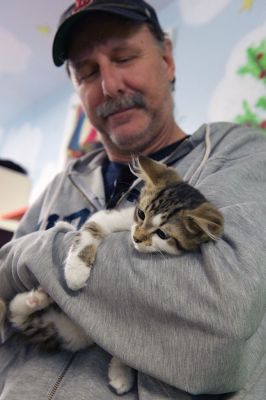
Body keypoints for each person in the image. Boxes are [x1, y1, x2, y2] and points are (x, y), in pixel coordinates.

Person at [0, 0, 266, 399]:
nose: (109, 85)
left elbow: (220, 328)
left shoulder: (242, 153)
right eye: (87, 72)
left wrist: (36, 252)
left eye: (124, 57)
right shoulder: (58, 184)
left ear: (167, 59)